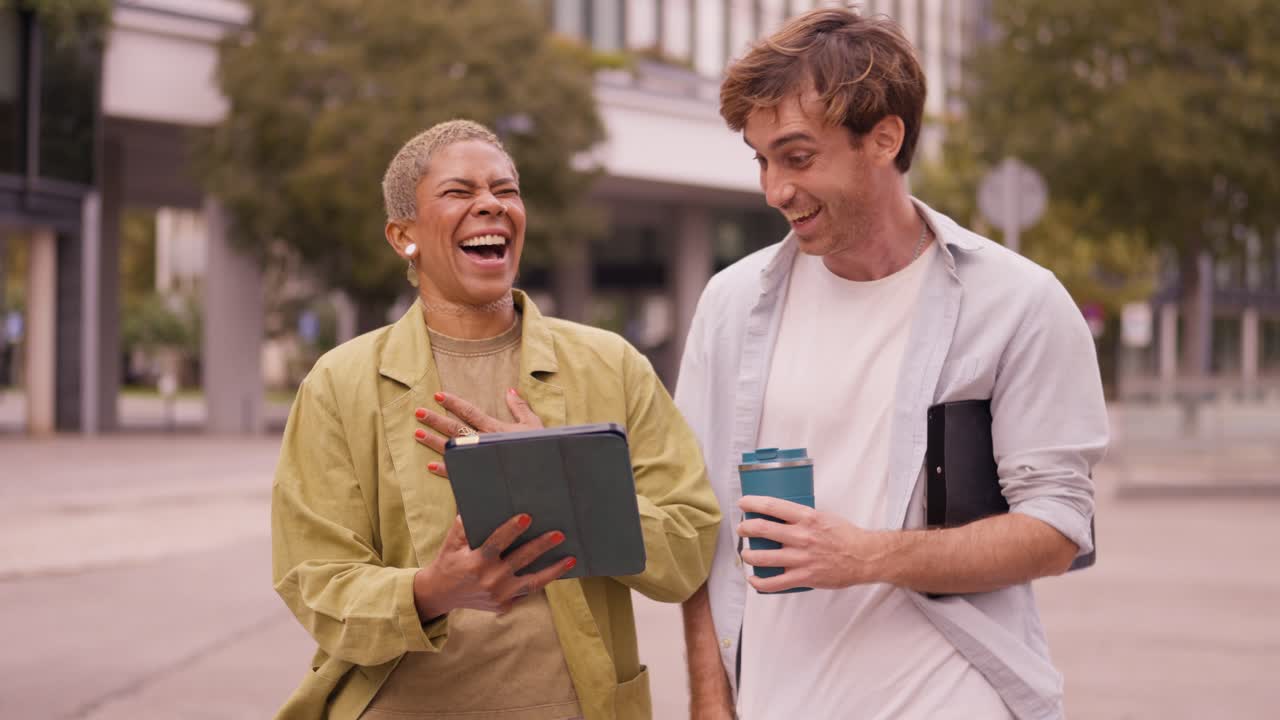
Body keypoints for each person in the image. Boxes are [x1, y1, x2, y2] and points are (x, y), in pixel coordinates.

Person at [676, 9, 1107, 720]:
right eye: (762, 160)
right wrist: (709, 704)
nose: (774, 190)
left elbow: (1057, 530)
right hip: (774, 700)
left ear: (884, 138)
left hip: (950, 698)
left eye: (797, 156)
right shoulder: (729, 305)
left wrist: (868, 556)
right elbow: (700, 528)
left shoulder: (1018, 302)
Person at [271, 119, 720, 720]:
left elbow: (689, 550)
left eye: (505, 191)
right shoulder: (340, 383)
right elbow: (315, 581)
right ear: (403, 235)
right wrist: (430, 591)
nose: (491, 205)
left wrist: (565, 476)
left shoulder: (609, 364)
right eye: (459, 192)